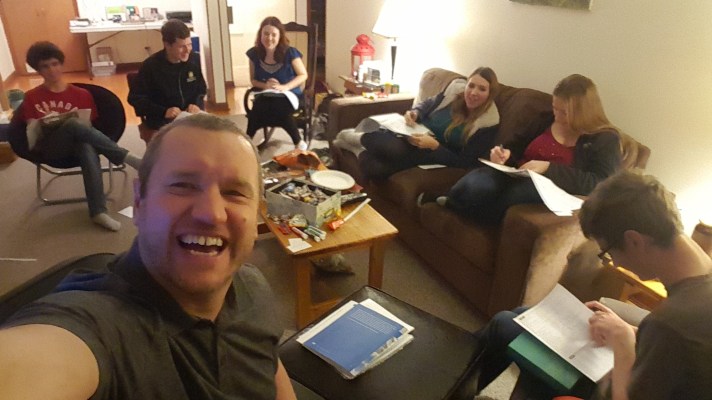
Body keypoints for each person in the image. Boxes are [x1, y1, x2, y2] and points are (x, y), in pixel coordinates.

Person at [0, 114, 297, 400]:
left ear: (258, 215)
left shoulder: (253, 285)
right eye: (182, 185)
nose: (211, 213)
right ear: (139, 201)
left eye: (234, 192)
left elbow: (265, 363)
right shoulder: (98, 325)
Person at [474, 171, 712, 399]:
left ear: (634, 241)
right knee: (522, 316)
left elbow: (671, 337)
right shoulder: (699, 282)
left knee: (503, 324)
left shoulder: (670, 323)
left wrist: (624, 344)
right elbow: (685, 350)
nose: (615, 263)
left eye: (608, 252)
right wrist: (629, 331)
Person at [436, 74, 621, 224]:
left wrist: (548, 168)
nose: (556, 116)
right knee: (482, 181)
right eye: (555, 108)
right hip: (517, 172)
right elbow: (516, 145)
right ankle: (452, 202)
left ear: (584, 112)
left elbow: (600, 182)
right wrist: (506, 155)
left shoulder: (605, 139)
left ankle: (462, 210)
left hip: (547, 188)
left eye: (564, 112)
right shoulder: (545, 119)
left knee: (521, 192)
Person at [9, 41, 142, 231]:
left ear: (61, 64)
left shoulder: (81, 94)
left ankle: (98, 212)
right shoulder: (31, 97)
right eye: (45, 66)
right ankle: (126, 157)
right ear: (38, 70)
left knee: (85, 145)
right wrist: (45, 122)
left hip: (78, 144)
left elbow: (88, 127)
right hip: (50, 147)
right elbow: (33, 130)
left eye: (55, 64)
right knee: (73, 124)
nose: (52, 70)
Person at [359, 67, 500, 180]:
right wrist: (415, 112)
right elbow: (428, 103)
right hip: (412, 134)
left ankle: (370, 151)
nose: (473, 92)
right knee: (369, 135)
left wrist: (435, 146)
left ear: (491, 93)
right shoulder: (454, 93)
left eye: (482, 89)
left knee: (376, 165)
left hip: (430, 152)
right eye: (471, 86)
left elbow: (465, 162)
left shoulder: (488, 122)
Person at [128, 19, 207, 130]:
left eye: (189, 45)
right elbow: (136, 98)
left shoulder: (195, 60)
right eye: (181, 46)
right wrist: (163, 111)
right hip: (162, 120)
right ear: (167, 45)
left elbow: (201, 89)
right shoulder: (150, 66)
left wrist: (196, 105)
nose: (187, 50)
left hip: (190, 117)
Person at [246, 16, 308, 151]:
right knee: (257, 108)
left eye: (274, 34)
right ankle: (247, 141)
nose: (269, 38)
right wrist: (266, 86)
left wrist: (285, 87)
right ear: (260, 34)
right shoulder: (254, 54)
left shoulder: (290, 52)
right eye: (266, 34)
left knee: (279, 107)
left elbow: (303, 75)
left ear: (280, 36)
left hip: (289, 93)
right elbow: (253, 80)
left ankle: (298, 142)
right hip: (267, 93)